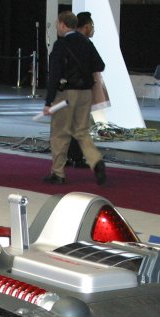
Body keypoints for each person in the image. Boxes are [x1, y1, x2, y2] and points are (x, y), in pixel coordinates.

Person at [43, 11, 107, 186]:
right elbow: (100, 65)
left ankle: (58, 173)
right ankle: (96, 161)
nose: (57, 27)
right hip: (86, 93)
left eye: (57, 24)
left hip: (66, 94)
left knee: (60, 133)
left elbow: (54, 74)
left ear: (63, 24)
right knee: (82, 131)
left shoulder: (61, 45)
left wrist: (48, 102)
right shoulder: (86, 42)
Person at [66, 12, 94, 168]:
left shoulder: (64, 42)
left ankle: (65, 157)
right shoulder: (86, 44)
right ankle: (77, 157)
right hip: (81, 90)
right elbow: (99, 64)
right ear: (86, 26)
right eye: (92, 26)